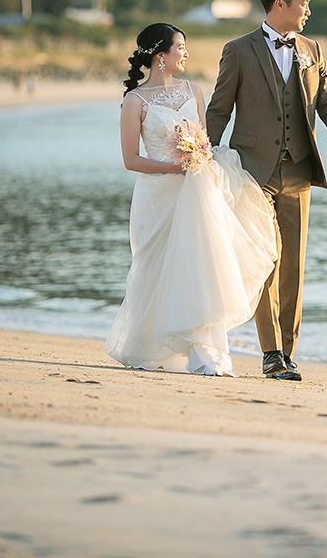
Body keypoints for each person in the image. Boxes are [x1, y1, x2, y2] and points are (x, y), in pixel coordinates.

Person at [207, 0, 327, 382]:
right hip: (253, 173)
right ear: (281, 4)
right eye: (304, 3)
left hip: (297, 173)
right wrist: (204, 156)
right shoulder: (238, 50)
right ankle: (271, 352)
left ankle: (288, 353)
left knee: (293, 265)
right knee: (266, 261)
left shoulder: (312, 49)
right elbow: (219, 109)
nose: (308, 11)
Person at [106, 23, 278, 377]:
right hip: (157, 196)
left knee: (200, 266)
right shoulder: (134, 101)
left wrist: (200, 159)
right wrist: (174, 167)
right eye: (180, 47)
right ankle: (151, 349)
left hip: (196, 191)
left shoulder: (193, 90)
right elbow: (131, 159)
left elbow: (203, 141)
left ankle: (207, 356)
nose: (185, 53)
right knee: (153, 268)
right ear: (160, 56)